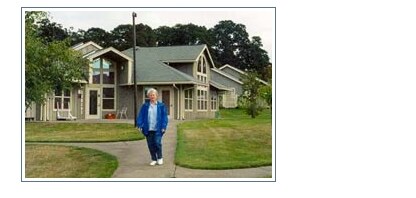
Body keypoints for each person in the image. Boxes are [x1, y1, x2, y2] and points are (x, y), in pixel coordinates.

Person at [136, 88, 168, 166]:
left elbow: (164, 117)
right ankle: (153, 159)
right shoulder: (145, 106)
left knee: (157, 143)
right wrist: (140, 125)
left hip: (158, 128)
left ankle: (160, 158)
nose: (152, 96)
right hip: (148, 128)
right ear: (148, 97)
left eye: (153, 95)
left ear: (156, 96)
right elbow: (140, 116)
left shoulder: (161, 106)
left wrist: (164, 126)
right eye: (150, 95)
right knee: (150, 145)